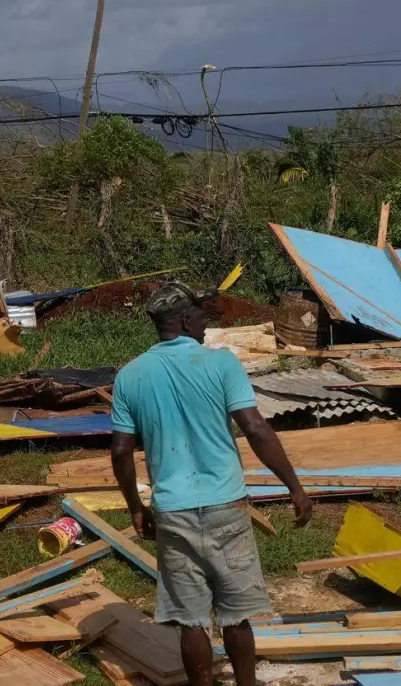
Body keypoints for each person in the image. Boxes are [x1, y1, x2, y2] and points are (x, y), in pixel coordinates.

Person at [110, 282, 312, 686]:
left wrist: (136, 506)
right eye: (201, 314)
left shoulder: (129, 376)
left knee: (191, 620)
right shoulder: (220, 364)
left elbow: (120, 452)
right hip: (227, 506)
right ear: (185, 319)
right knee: (235, 615)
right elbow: (255, 428)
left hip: (172, 510)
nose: (205, 321)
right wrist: (294, 485)